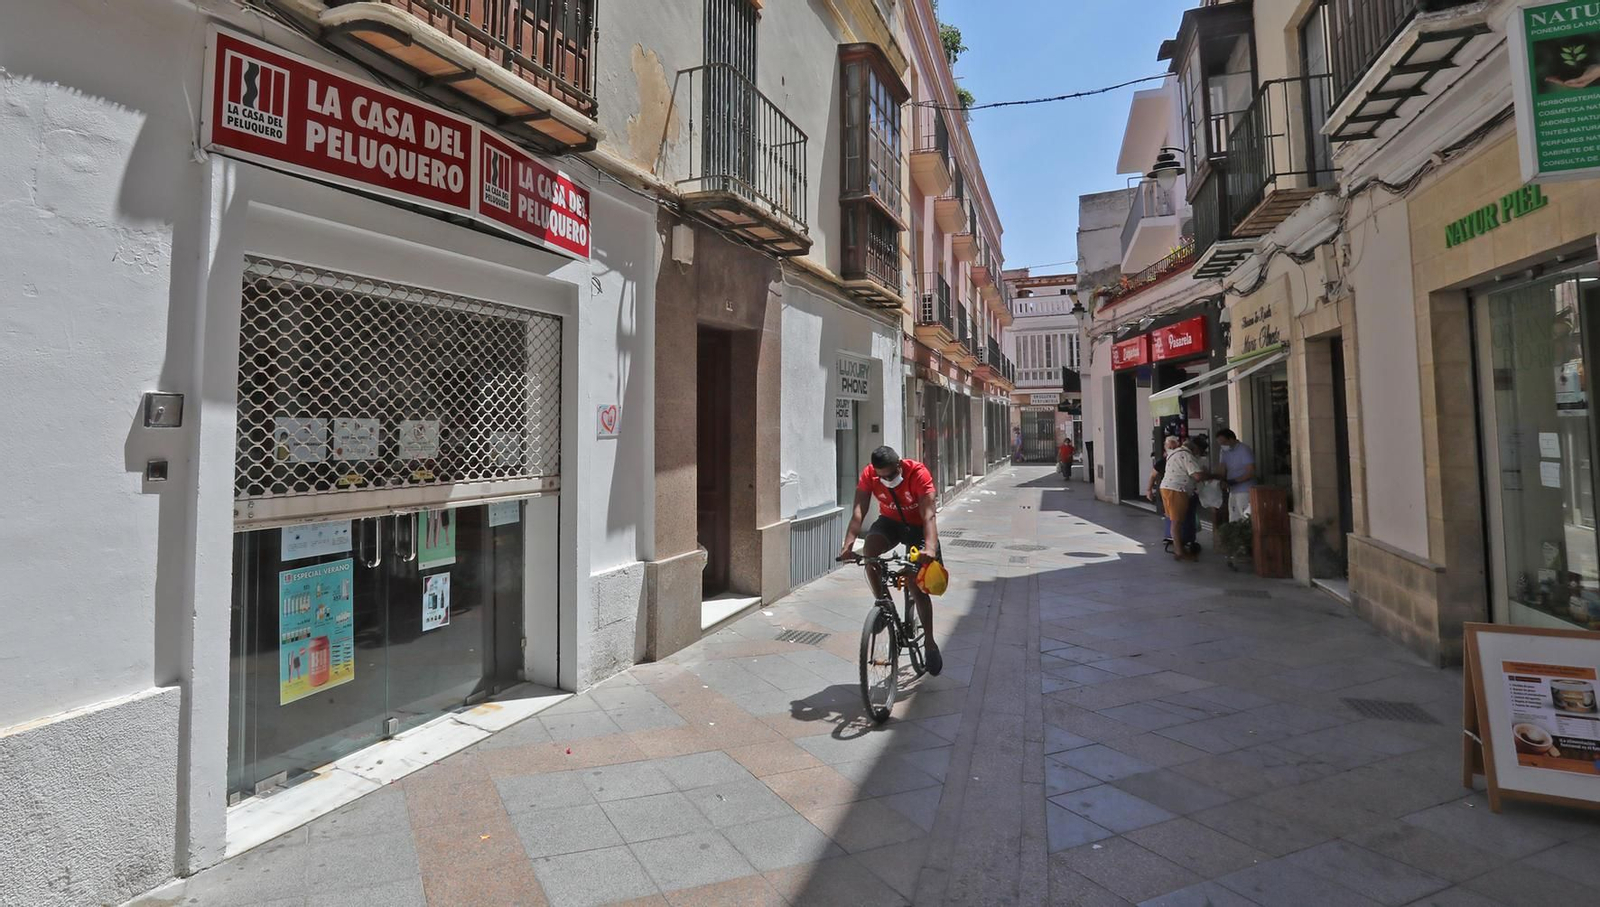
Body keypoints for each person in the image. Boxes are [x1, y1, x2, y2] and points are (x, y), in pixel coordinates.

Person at [839, 446, 943, 674]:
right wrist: (848, 544)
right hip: (891, 523)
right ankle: (883, 606)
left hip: (918, 527)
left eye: (891, 475)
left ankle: (930, 643)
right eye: (882, 476)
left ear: (899, 466)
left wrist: (930, 547)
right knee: (870, 551)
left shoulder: (918, 474)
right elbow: (859, 510)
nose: (886, 479)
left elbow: (929, 514)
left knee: (916, 585)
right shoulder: (869, 475)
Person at [1150, 436, 1207, 562]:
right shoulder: (1186, 455)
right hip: (1177, 489)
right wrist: (1207, 474)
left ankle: (1179, 549)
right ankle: (1179, 551)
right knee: (1176, 522)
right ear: (1195, 448)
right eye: (1199, 451)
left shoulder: (1174, 453)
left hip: (1167, 488)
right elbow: (1197, 476)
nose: (1199, 454)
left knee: (1174, 520)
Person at [1214, 429, 1256, 522]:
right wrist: (1219, 480)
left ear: (1232, 439)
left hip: (1244, 490)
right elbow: (1222, 468)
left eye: (1224, 442)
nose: (1223, 445)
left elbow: (1251, 471)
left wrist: (1234, 481)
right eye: (1220, 443)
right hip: (1232, 490)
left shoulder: (1244, 450)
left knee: (1245, 517)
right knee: (1234, 518)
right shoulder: (1224, 451)